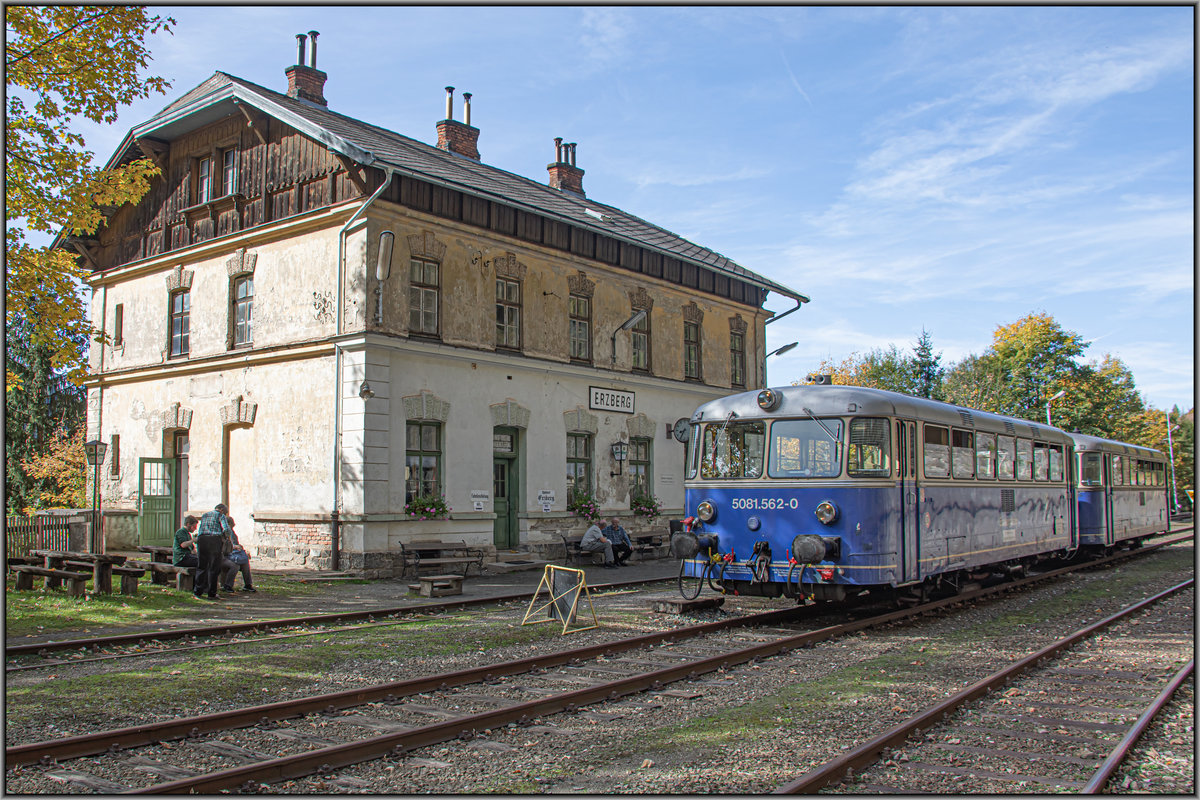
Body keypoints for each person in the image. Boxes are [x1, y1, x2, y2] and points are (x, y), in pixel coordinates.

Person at [194, 503, 232, 599]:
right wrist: (226, 537)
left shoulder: (205, 515)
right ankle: (211, 593)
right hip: (214, 540)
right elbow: (227, 529)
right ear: (222, 510)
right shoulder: (220, 515)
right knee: (213, 567)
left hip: (202, 539)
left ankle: (198, 592)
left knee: (201, 566)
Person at [220, 515, 256, 592]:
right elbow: (224, 546)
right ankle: (228, 585)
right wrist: (234, 547)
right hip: (225, 555)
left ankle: (248, 584)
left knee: (245, 563)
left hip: (233, 555)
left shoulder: (231, 532)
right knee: (235, 566)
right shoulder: (223, 532)